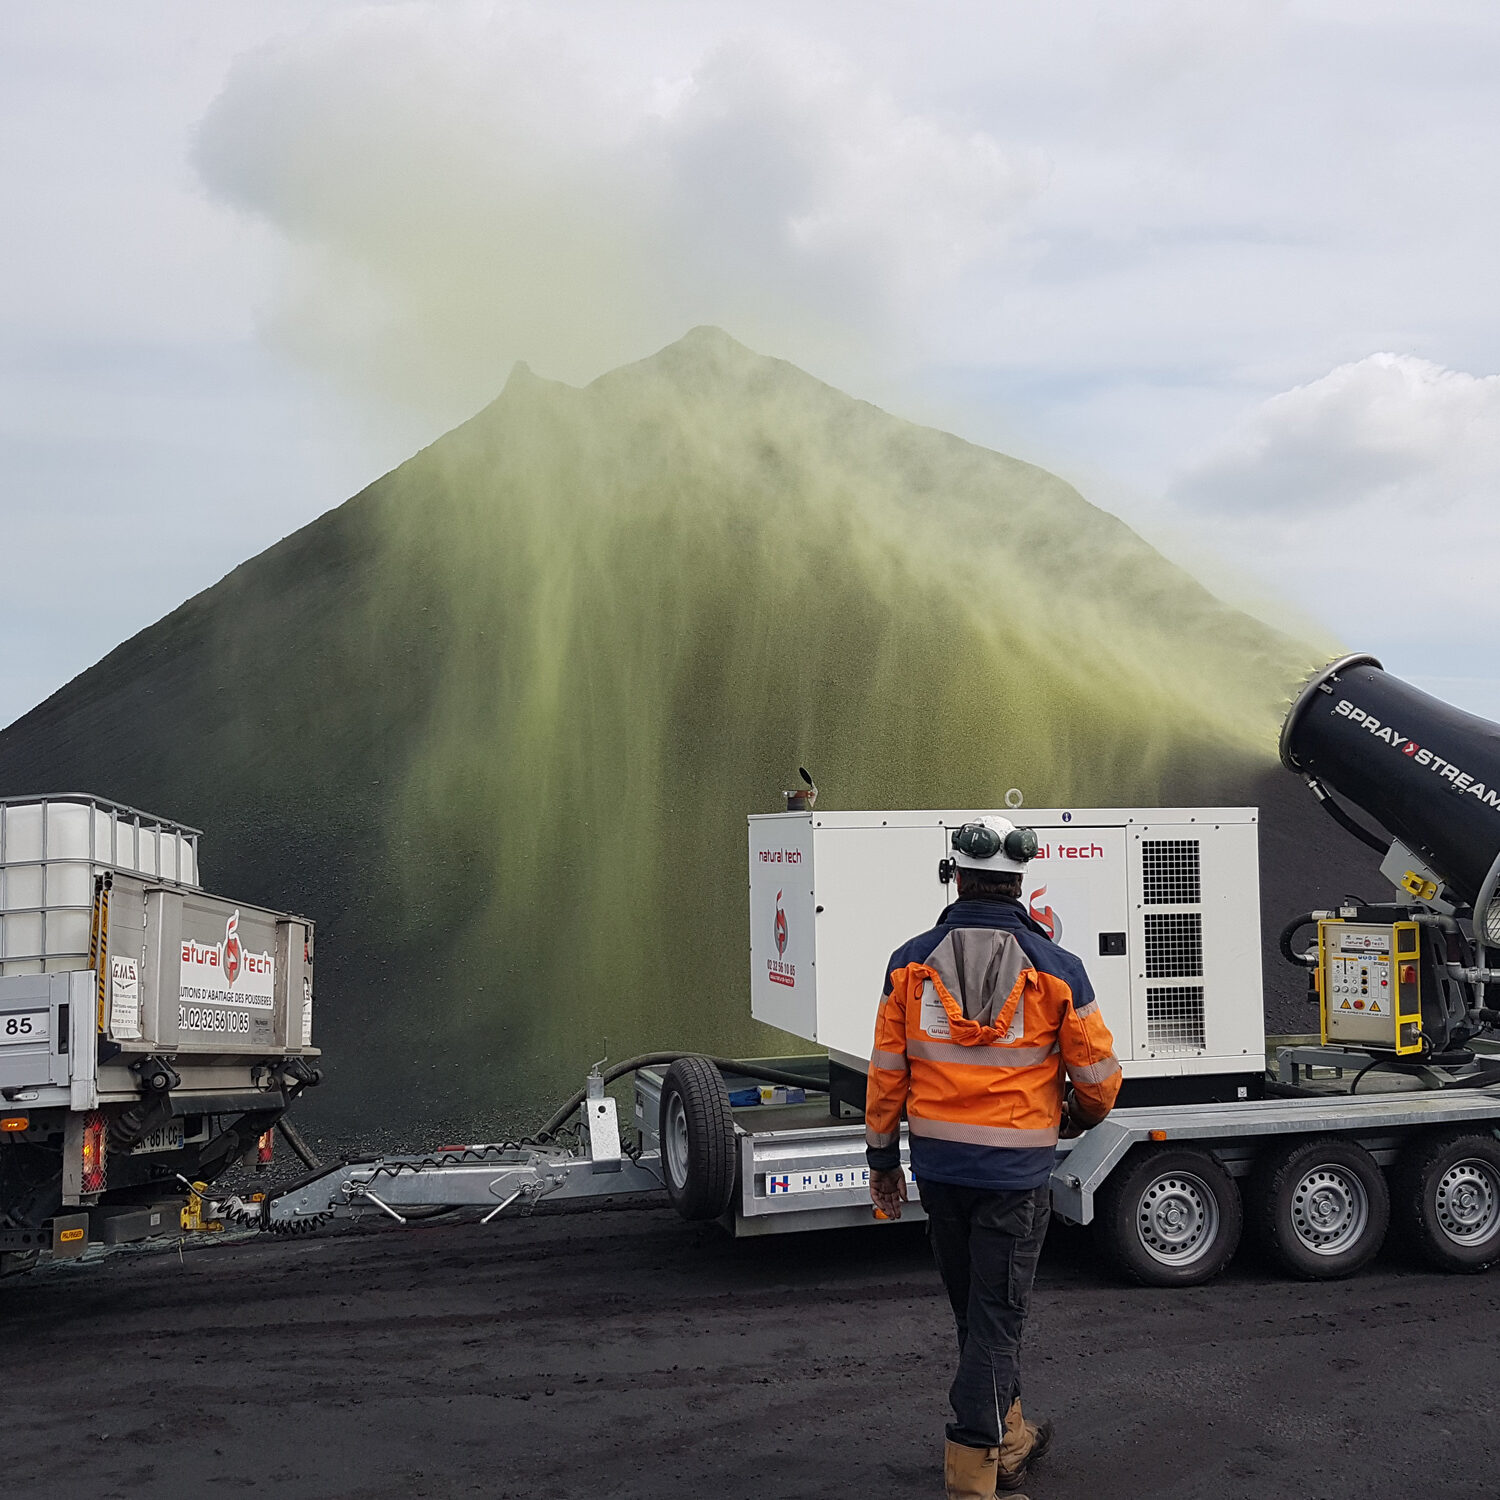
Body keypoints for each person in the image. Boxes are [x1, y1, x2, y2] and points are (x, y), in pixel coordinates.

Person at [865, 815, 1122, 1500]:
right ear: (1020, 884)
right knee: (998, 1317)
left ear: (954, 876)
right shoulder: (1058, 968)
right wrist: (1072, 1113)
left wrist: (882, 1159)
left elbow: (887, 1072)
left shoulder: (908, 962)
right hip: (1013, 1178)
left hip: (941, 1173)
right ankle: (974, 1481)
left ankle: (1010, 1436)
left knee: (977, 1316)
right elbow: (1099, 1083)